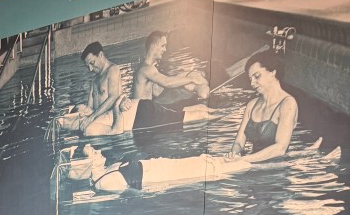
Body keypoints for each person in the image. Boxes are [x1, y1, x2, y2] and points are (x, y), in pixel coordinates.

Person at [64, 143, 251, 193]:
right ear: (85, 164)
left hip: (162, 165)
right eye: (93, 152)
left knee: (206, 161)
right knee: (212, 169)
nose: (98, 151)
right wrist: (159, 188)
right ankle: (260, 165)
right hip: (163, 176)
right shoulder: (105, 182)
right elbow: (134, 194)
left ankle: (253, 161)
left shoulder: (108, 168)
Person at [132, 30, 209, 130]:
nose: (165, 49)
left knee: (202, 108)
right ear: (154, 46)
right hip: (144, 115)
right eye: (163, 46)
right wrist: (191, 78)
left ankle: (222, 113)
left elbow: (158, 91)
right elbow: (167, 83)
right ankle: (224, 114)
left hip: (148, 111)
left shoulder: (146, 68)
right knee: (201, 115)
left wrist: (184, 80)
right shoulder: (146, 69)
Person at [227, 54, 298, 164]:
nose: (252, 83)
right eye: (250, 79)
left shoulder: (288, 104)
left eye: (257, 76)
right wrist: (234, 156)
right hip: (251, 164)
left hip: (276, 169)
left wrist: (243, 160)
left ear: (272, 72)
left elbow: (280, 148)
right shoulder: (252, 105)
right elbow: (239, 143)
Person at [55, 42, 131, 136]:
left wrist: (91, 118)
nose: (90, 69)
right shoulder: (95, 80)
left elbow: (113, 97)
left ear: (100, 55)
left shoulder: (112, 70)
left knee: (87, 130)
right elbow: (89, 107)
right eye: (88, 66)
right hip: (98, 119)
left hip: (110, 117)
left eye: (92, 63)